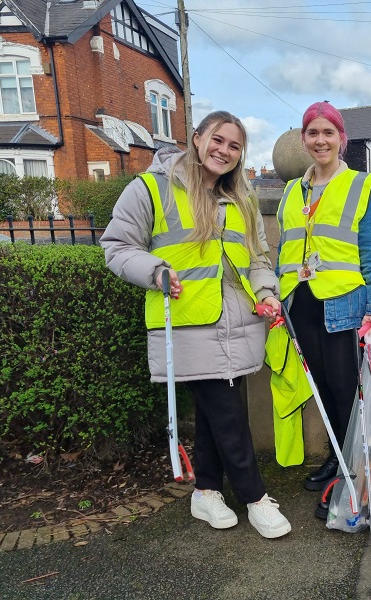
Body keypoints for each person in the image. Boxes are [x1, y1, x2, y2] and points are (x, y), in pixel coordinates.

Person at [100, 111, 291, 539]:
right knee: (228, 414)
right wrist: (155, 271)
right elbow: (117, 246)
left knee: (214, 414)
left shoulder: (241, 199)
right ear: (197, 137)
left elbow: (258, 258)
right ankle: (255, 497)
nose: (224, 151)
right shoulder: (151, 188)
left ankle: (205, 491)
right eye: (217, 140)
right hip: (188, 323)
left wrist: (266, 293)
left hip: (239, 324)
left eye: (235, 146)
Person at [275, 101, 371, 514]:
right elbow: (284, 248)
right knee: (322, 390)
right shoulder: (292, 190)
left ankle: (351, 470)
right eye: (313, 132)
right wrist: (278, 297)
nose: (320, 140)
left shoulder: (361, 185)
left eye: (328, 133)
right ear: (303, 139)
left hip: (343, 303)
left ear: (342, 139)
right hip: (301, 302)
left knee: (345, 391)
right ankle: (335, 457)